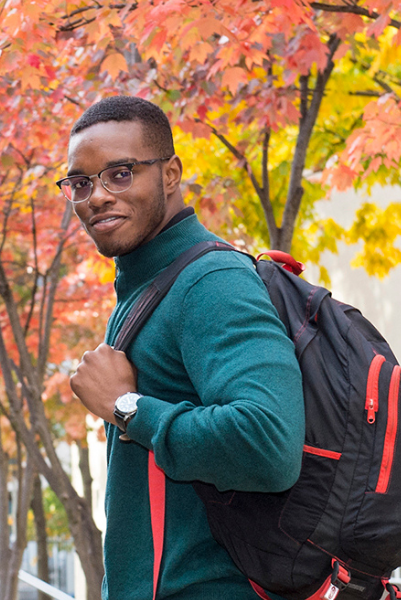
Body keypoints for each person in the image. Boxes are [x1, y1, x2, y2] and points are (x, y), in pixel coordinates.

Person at [65, 95, 305, 599]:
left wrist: (127, 407)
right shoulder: (148, 285)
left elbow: (269, 444)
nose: (98, 196)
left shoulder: (209, 282)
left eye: (122, 173)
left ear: (170, 174)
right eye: (81, 183)